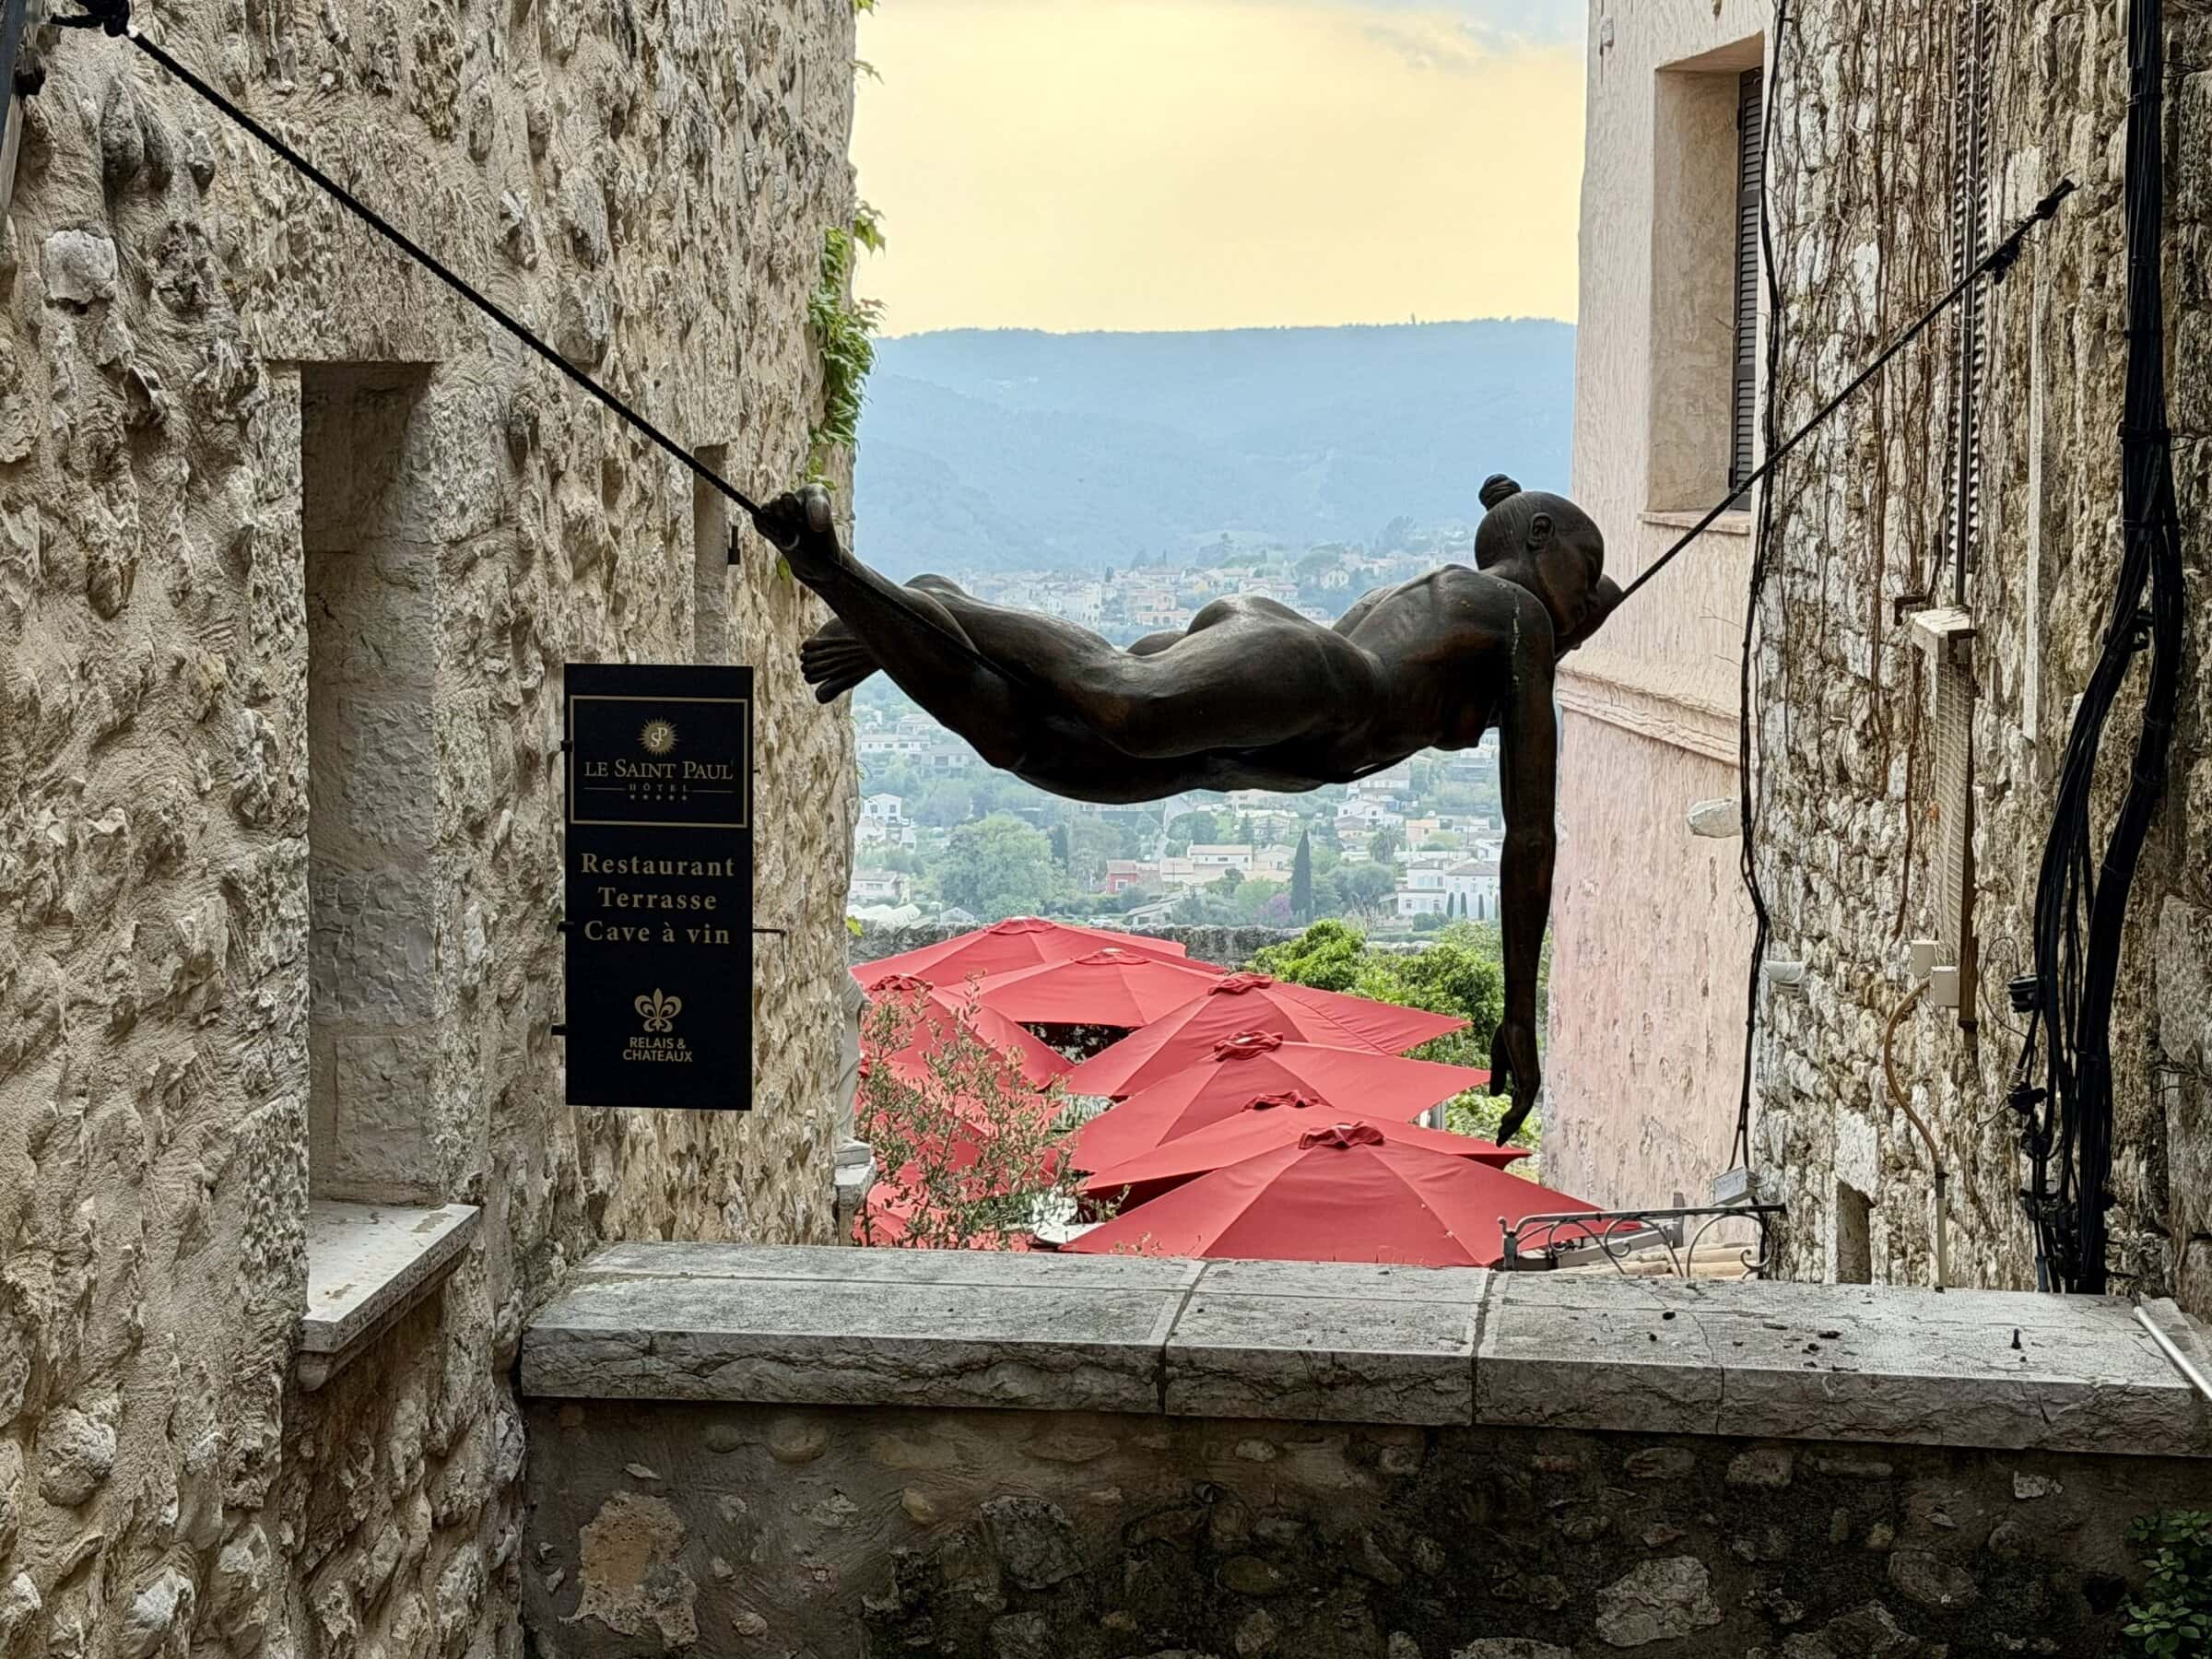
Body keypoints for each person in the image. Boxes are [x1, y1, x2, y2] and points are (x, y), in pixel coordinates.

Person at [752, 474, 1622, 1136]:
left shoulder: (1492, 618)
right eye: (1585, 574)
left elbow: (1496, 684)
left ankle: (884, 609)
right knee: (1125, 700)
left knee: (1034, 746)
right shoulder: (1515, 612)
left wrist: (1583, 615)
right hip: (1313, 685)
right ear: (1537, 535)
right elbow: (1530, 830)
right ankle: (930, 599)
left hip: (1261, 743)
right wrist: (1517, 1010)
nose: (1583, 602)